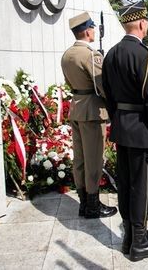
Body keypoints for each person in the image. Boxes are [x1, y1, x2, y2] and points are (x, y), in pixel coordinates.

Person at [102, 1, 148, 261]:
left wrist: (118, 119)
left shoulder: (111, 54)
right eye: (147, 22)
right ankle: (139, 243)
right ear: (141, 23)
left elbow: (106, 93)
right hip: (142, 131)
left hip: (122, 129)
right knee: (140, 187)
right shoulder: (147, 56)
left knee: (126, 184)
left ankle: (130, 235)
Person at [60, 12, 117, 219]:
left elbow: (70, 83)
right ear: (86, 30)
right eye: (92, 27)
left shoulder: (67, 55)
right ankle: (92, 205)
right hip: (92, 111)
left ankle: (84, 202)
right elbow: (103, 86)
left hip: (76, 108)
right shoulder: (90, 55)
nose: (94, 30)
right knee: (94, 159)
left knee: (80, 159)